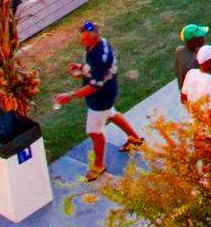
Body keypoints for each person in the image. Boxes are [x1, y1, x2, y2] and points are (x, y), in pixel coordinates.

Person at [52, 21, 145, 182]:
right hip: (107, 91)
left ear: (93, 38)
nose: (82, 42)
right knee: (111, 114)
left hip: (101, 97)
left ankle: (98, 165)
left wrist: (71, 95)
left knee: (94, 132)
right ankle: (134, 138)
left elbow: (95, 86)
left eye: (85, 39)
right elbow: (93, 68)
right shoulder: (100, 44)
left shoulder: (101, 58)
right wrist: (82, 68)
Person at [173, 23, 209, 101]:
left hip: (183, 90)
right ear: (197, 41)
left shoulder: (178, 50)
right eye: (202, 37)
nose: (204, 38)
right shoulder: (196, 61)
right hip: (196, 97)